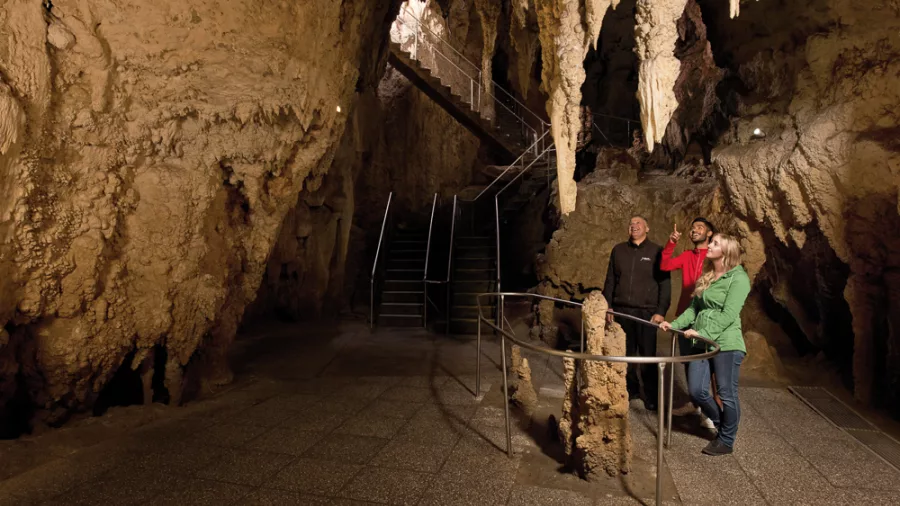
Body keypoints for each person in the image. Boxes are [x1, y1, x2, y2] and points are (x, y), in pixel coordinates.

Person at [660, 233, 751, 456]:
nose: (709, 245)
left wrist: (702, 333)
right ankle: (723, 424)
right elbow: (694, 308)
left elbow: (729, 314)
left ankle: (726, 440)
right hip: (702, 341)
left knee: (726, 392)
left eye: (715, 243)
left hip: (726, 343)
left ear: (727, 251)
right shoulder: (709, 275)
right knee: (697, 391)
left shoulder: (738, 279)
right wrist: (674, 324)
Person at [603, 216, 671, 410]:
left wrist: (660, 311)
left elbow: (665, 285)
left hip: (647, 313)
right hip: (623, 311)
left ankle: (651, 395)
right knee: (626, 353)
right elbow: (610, 280)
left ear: (647, 228)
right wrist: (608, 305)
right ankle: (630, 390)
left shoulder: (657, 252)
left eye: (638, 223)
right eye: (631, 223)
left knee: (648, 355)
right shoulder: (618, 251)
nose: (634, 226)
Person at [660, 218, 720, 427]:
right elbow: (664, 264)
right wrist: (671, 243)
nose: (695, 231)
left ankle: (711, 411)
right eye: (693, 228)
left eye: (700, 228)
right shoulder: (687, 256)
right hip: (685, 316)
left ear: (710, 233)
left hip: (705, 320)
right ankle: (695, 403)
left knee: (707, 364)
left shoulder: (713, 257)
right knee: (687, 361)